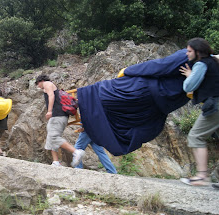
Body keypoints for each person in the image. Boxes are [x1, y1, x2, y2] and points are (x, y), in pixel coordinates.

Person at [77, 48, 191, 156]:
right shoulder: (202, 69)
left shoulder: (188, 55)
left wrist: (128, 70)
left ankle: (79, 109)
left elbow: (161, 65)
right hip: (156, 108)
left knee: (99, 92)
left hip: (145, 93)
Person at [179, 38, 219, 186]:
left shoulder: (201, 64)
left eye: (189, 51)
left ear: (197, 51)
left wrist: (190, 75)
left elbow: (188, 87)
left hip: (215, 106)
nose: (187, 54)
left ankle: (202, 176)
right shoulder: (214, 61)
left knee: (196, 136)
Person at [35, 75, 85, 167]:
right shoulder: (49, 86)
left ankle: (76, 152)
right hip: (58, 116)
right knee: (51, 137)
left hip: (58, 115)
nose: (38, 86)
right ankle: (56, 162)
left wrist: (49, 111)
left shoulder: (47, 83)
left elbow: (51, 96)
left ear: (41, 81)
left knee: (53, 137)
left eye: (37, 83)